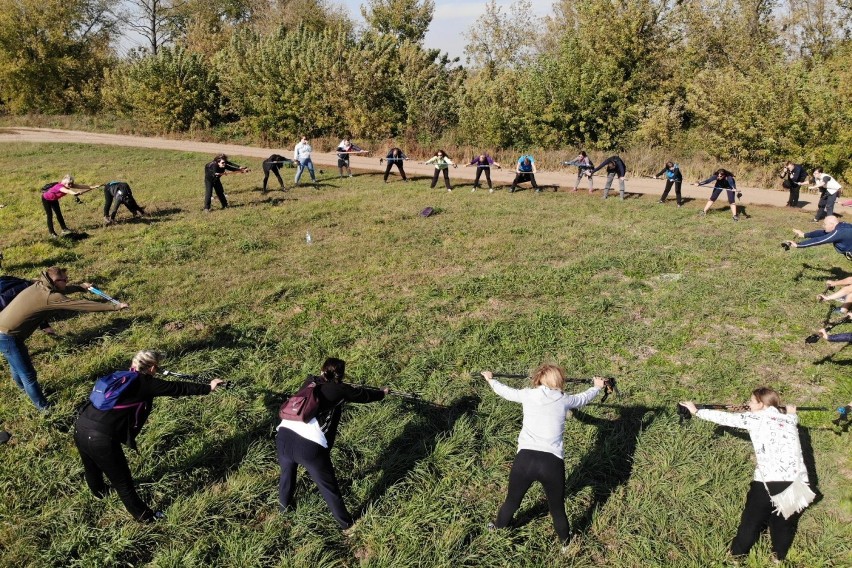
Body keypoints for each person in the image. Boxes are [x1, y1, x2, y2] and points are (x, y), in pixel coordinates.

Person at [74, 350, 225, 522]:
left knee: (91, 465)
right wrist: (208, 387)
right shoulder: (145, 383)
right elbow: (177, 388)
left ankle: (99, 492)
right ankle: (145, 517)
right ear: (153, 367)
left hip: (81, 425)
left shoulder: (119, 376)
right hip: (101, 437)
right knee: (123, 483)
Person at [679, 387, 811, 562]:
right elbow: (791, 417)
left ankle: (736, 557)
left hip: (768, 482)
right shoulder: (788, 419)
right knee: (784, 523)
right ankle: (778, 558)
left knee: (751, 521)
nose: (748, 403)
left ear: (761, 404)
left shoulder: (755, 418)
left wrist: (696, 411)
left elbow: (726, 418)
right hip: (797, 483)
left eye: (751, 401)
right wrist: (791, 412)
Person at [481, 367, 605, 549]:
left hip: (525, 460)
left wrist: (490, 380)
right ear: (558, 381)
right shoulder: (565, 400)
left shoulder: (527, 395)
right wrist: (597, 386)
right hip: (551, 463)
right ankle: (565, 545)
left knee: (512, 501)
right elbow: (584, 398)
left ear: (538, 379)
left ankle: (498, 527)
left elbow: (505, 392)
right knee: (556, 509)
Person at [276, 357, 388, 531]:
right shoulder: (340, 389)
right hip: (309, 446)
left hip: (283, 436)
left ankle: (284, 511)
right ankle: (347, 525)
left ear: (322, 371)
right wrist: (382, 393)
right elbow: (363, 396)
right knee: (329, 487)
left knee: (287, 475)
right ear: (341, 375)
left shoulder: (309, 382)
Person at [0, 267, 128, 412]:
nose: (67, 282)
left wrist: (80, 287)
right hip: (8, 336)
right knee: (28, 375)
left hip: (5, 330)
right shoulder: (51, 297)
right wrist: (114, 307)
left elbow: (62, 290)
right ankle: (45, 409)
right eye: (65, 280)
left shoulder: (38, 285)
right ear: (55, 281)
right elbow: (82, 305)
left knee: (16, 366)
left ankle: (25, 391)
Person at [783, 216, 852, 260]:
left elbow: (820, 240)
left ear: (832, 224)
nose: (823, 226)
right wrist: (804, 235)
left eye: (825, 224)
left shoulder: (839, 232)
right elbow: (822, 233)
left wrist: (798, 245)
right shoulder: (841, 226)